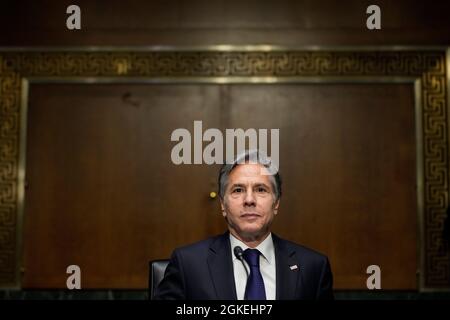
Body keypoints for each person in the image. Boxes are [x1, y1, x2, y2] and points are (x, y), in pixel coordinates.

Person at [154, 150, 333, 300]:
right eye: (238, 190)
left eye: (261, 189)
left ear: (276, 203)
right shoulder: (188, 264)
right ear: (223, 205)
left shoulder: (313, 267)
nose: (249, 200)